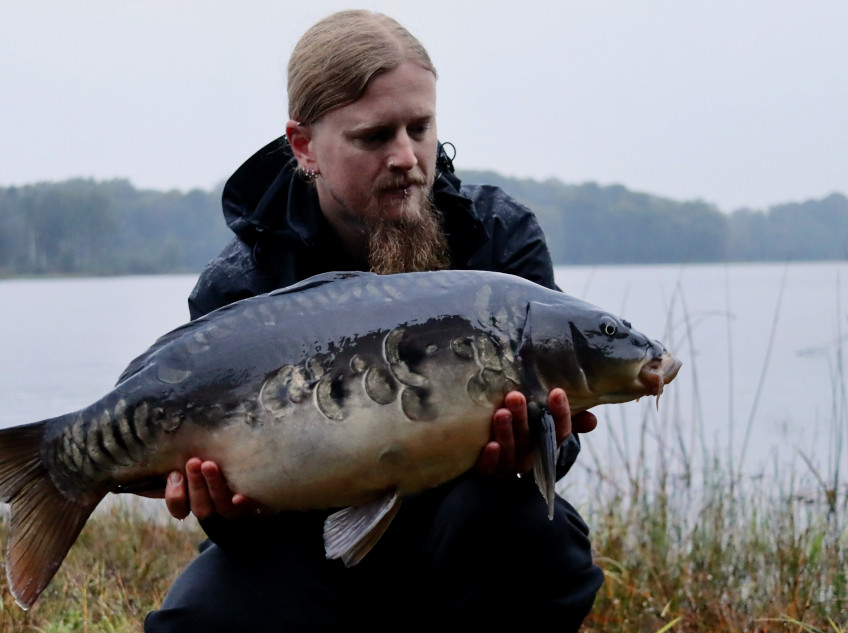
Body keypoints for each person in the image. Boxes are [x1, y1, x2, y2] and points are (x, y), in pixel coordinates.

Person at [144, 10, 603, 632]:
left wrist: (541, 443)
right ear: (303, 145)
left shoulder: (500, 239)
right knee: (204, 618)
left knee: (538, 541)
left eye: (421, 127)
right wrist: (223, 509)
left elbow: (558, 438)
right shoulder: (237, 286)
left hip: (465, 522)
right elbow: (230, 508)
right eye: (374, 136)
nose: (407, 158)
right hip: (302, 537)